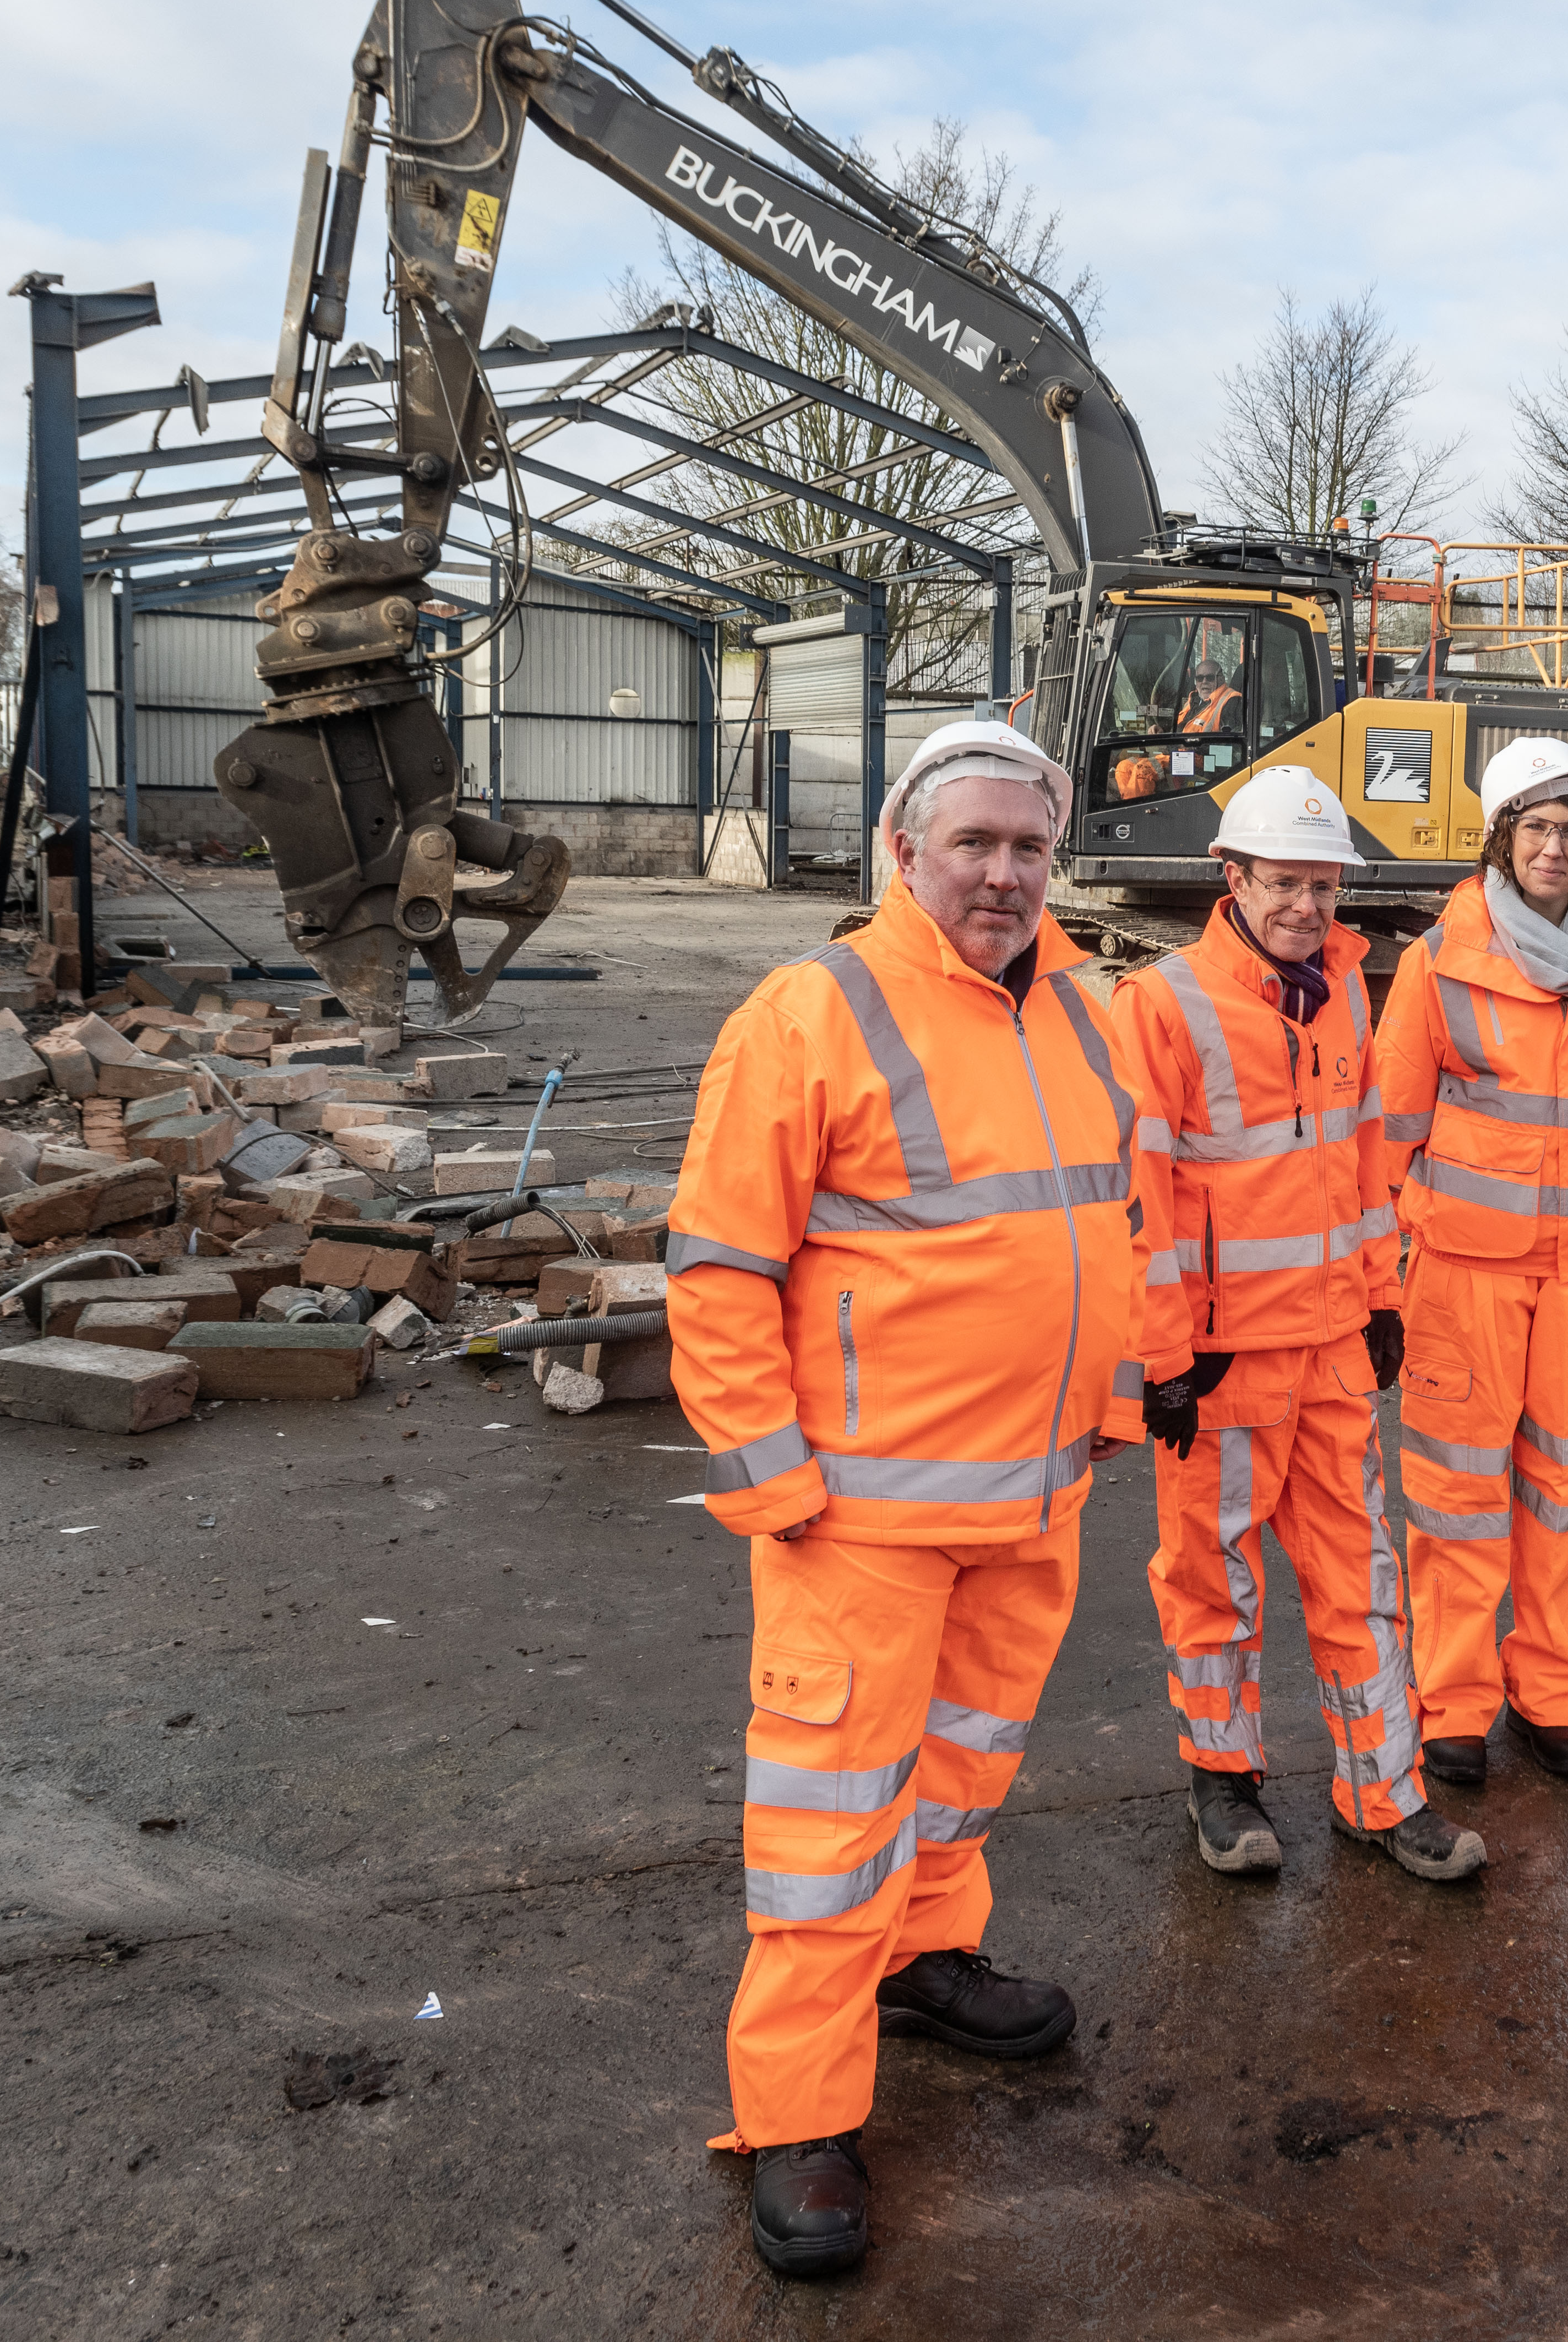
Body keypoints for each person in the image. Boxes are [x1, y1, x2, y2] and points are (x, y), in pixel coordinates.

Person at [667, 718, 1151, 2277]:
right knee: (826, 1820)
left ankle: (931, 1959)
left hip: (1034, 1497)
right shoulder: (813, 1011)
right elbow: (722, 1265)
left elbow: (1109, 1221)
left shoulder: (1087, 1008)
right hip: (859, 1517)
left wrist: (1118, 1403)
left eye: (1027, 848)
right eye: (975, 847)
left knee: (960, 1771)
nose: (1005, 876)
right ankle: (796, 2115)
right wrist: (769, 1478)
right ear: (903, 852)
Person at [1110, 765, 1484, 1884]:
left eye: (1322, 886)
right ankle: (1221, 1776)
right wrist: (1163, 1357)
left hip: (1326, 1351)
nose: (1306, 907)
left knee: (1361, 1580)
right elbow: (1143, 1196)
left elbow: (1368, 1160)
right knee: (1213, 1580)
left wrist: (1380, 1297)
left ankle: (1384, 1790)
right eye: (1284, 882)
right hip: (1220, 1366)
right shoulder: (1165, 1003)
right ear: (1231, 877)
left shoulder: (1349, 992)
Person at [1375, 734, 1568, 1791]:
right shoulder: (1438, 962)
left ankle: (1549, 1692)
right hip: (1466, 1273)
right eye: (1537, 828)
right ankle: (1451, 1701)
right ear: (1503, 841)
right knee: (1457, 1496)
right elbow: (1388, 1132)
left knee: (1566, 1490)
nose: (1555, 846)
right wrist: (1387, 1272)